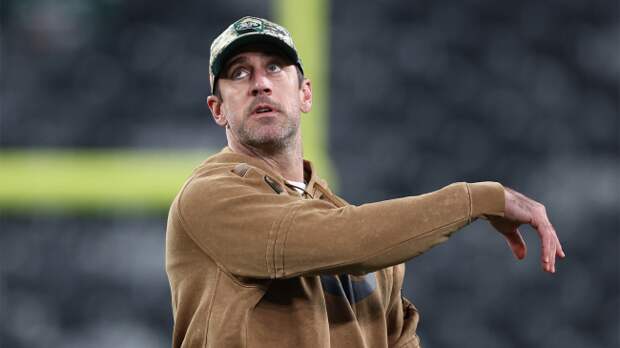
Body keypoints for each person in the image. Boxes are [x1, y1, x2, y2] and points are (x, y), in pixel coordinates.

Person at [165, 16, 565, 348]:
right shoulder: (209, 197)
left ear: (305, 94)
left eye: (274, 67)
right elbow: (337, 240)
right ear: (217, 110)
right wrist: (477, 199)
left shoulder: (359, 236)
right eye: (239, 73)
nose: (260, 82)